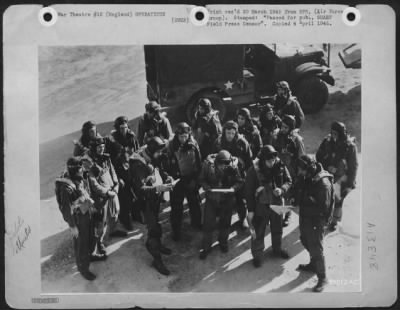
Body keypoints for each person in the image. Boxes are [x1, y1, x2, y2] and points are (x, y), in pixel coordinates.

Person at [129, 137, 174, 275]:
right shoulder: (138, 165)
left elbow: (157, 168)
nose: (160, 154)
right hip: (144, 202)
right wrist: (158, 188)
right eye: (159, 151)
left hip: (154, 198)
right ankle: (157, 259)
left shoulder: (150, 154)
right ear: (152, 150)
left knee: (157, 224)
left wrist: (167, 177)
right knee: (153, 229)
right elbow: (140, 189)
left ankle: (158, 246)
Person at [55, 157, 104, 281]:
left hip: (88, 211)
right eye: (81, 168)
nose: (83, 170)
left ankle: (91, 255)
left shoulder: (80, 178)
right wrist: (73, 226)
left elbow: (85, 193)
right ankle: (83, 269)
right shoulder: (66, 187)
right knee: (82, 244)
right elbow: (66, 210)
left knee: (92, 236)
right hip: (79, 219)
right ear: (76, 170)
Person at [245, 145, 292, 268]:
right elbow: (248, 192)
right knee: (258, 232)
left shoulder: (280, 165)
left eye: (273, 160)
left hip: (277, 203)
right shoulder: (253, 171)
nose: (272, 163)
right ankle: (257, 256)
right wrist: (250, 210)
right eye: (268, 161)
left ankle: (277, 250)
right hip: (260, 206)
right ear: (262, 160)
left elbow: (289, 181)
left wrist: (282, 189)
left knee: (278, 229)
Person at [295, 155, 334, 292]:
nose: (300, 173)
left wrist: (304, 204)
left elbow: (323, 209)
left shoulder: (323, 184)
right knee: (305, 239)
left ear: (309, 168)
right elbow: (303, 189)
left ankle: (323, 278)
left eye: (302, 170)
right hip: (307, 216)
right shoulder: (309, 175)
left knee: (316, 247)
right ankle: (313, 264)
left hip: (317, 219)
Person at [198, 150, 244, 259]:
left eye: (226, 164)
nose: (223, 167)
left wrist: (233, 188)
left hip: (227, 200)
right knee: (208, 224)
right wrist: (206, 187)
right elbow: (201, 179)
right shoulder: (208, 166)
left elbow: (240, 181)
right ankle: (206, 246)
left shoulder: (233, 167)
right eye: (221, 164)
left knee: (225, 223)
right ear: (216, 162)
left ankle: (223, 242)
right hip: (212, 199)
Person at [84, 137, 125, 257]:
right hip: (101, 197)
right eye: (99, 147)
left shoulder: (106, 157)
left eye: (103, 146)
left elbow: (112, 171)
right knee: (100, 222)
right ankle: (99, 242)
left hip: (112, 191)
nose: (101, 149)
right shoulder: (89, 163)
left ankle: (113, 230)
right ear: (93, 148)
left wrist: (116, 184)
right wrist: (106, 193)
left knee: (115, 213)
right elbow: (93, 184)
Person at [162, 122, 202, 241]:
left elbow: (199, 162)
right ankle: (176, 231)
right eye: (181, 136)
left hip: (191, 178)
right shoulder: (170, 146)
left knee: (195, 203)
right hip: (177, 180)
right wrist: (168, 177)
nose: (183, 139)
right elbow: (164, 165)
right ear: (177, 135)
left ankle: (196, 223)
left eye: (185, 136)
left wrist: (197, 180)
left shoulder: (193, 144)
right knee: (176, 208)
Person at [316, 121, 358, 231]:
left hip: (341, 178)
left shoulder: (349, 146)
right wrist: (327, 165)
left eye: (336, 133)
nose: (333, 135)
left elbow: (353, 167)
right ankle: (325, 218)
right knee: (326, 198)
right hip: (327, 176)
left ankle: (335, 221)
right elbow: (318, 156)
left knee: (338, 201)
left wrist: (350, 183)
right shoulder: (327, 141)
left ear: (341, 134)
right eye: (332, 133)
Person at [214, 120, 253, 229]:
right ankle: (223, 219)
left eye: (232, 133)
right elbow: (213, 158)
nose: (230, 136)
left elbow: (249, 160)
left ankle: (243, 218)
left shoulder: (242, 142)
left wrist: (247, 176)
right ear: (224, 132)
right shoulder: (218, 142)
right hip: (224, 175)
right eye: (228, 133)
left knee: (241, 199)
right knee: (223, 198)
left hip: (239, 175)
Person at [107, 116, 140, 229]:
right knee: (124, 198)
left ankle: (136, 215)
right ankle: (126, 221)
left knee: (136, 193)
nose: (123, 130)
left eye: (125, 127)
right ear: (117, 128)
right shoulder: (112, 141)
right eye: (121, 128)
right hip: (120, 172)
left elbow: (137, 152)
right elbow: (111, 162)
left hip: (132, 169)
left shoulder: (132, 137)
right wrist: (117, 178)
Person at [273, 114, 306, 227]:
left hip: (290, 171)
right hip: (277, 168)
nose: (283, 129)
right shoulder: (276, 135)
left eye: (286, 127)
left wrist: (299, 175)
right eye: (282, 126)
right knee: (277, 192)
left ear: (291, 128)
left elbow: (302, 158)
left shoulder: (297, 140)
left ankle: (287, 215)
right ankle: (277, 213)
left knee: (288, 195)